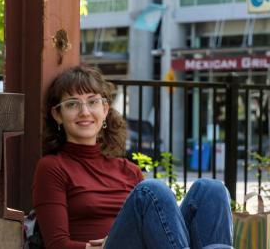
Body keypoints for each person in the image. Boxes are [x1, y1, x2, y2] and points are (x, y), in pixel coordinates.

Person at [32, 65, 233, 249]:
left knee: (211, 190)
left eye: (93, 101)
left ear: (105, 109)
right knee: (151, 190)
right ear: (58, 115)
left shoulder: (128, 169)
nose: (85, 112)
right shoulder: (52, 167)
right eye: (73, 104)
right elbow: (57, 245)